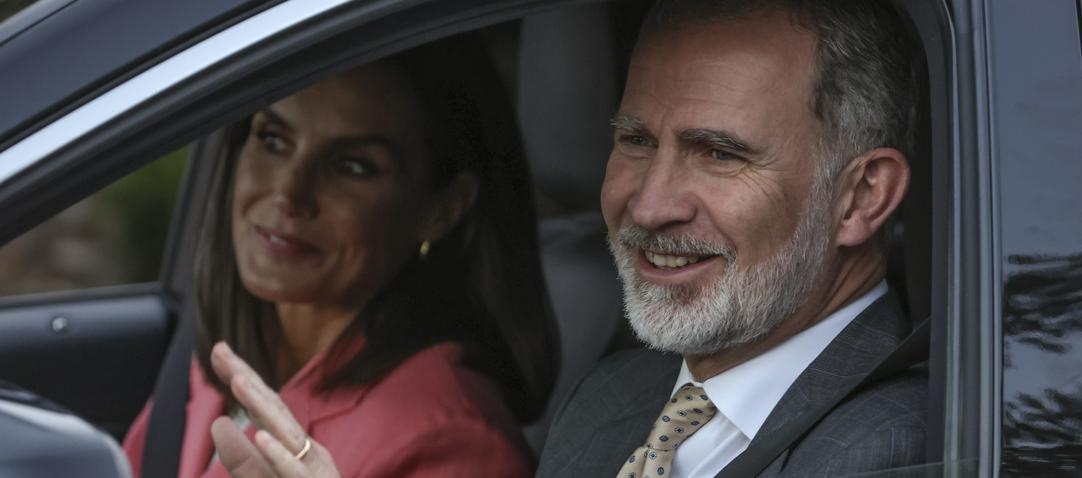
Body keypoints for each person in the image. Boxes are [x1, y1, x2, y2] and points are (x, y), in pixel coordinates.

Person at [123, 34, 559, 478]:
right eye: (273, 140)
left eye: (352, 167)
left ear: (441, 210)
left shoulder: (456, 445)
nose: (289, 192)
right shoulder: (221, 360)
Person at [538, 0, 926, 476]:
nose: (648, 207)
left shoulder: (894, 446)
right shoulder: (605, 396)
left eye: (720, 154)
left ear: (862, 197)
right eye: (637, 141)